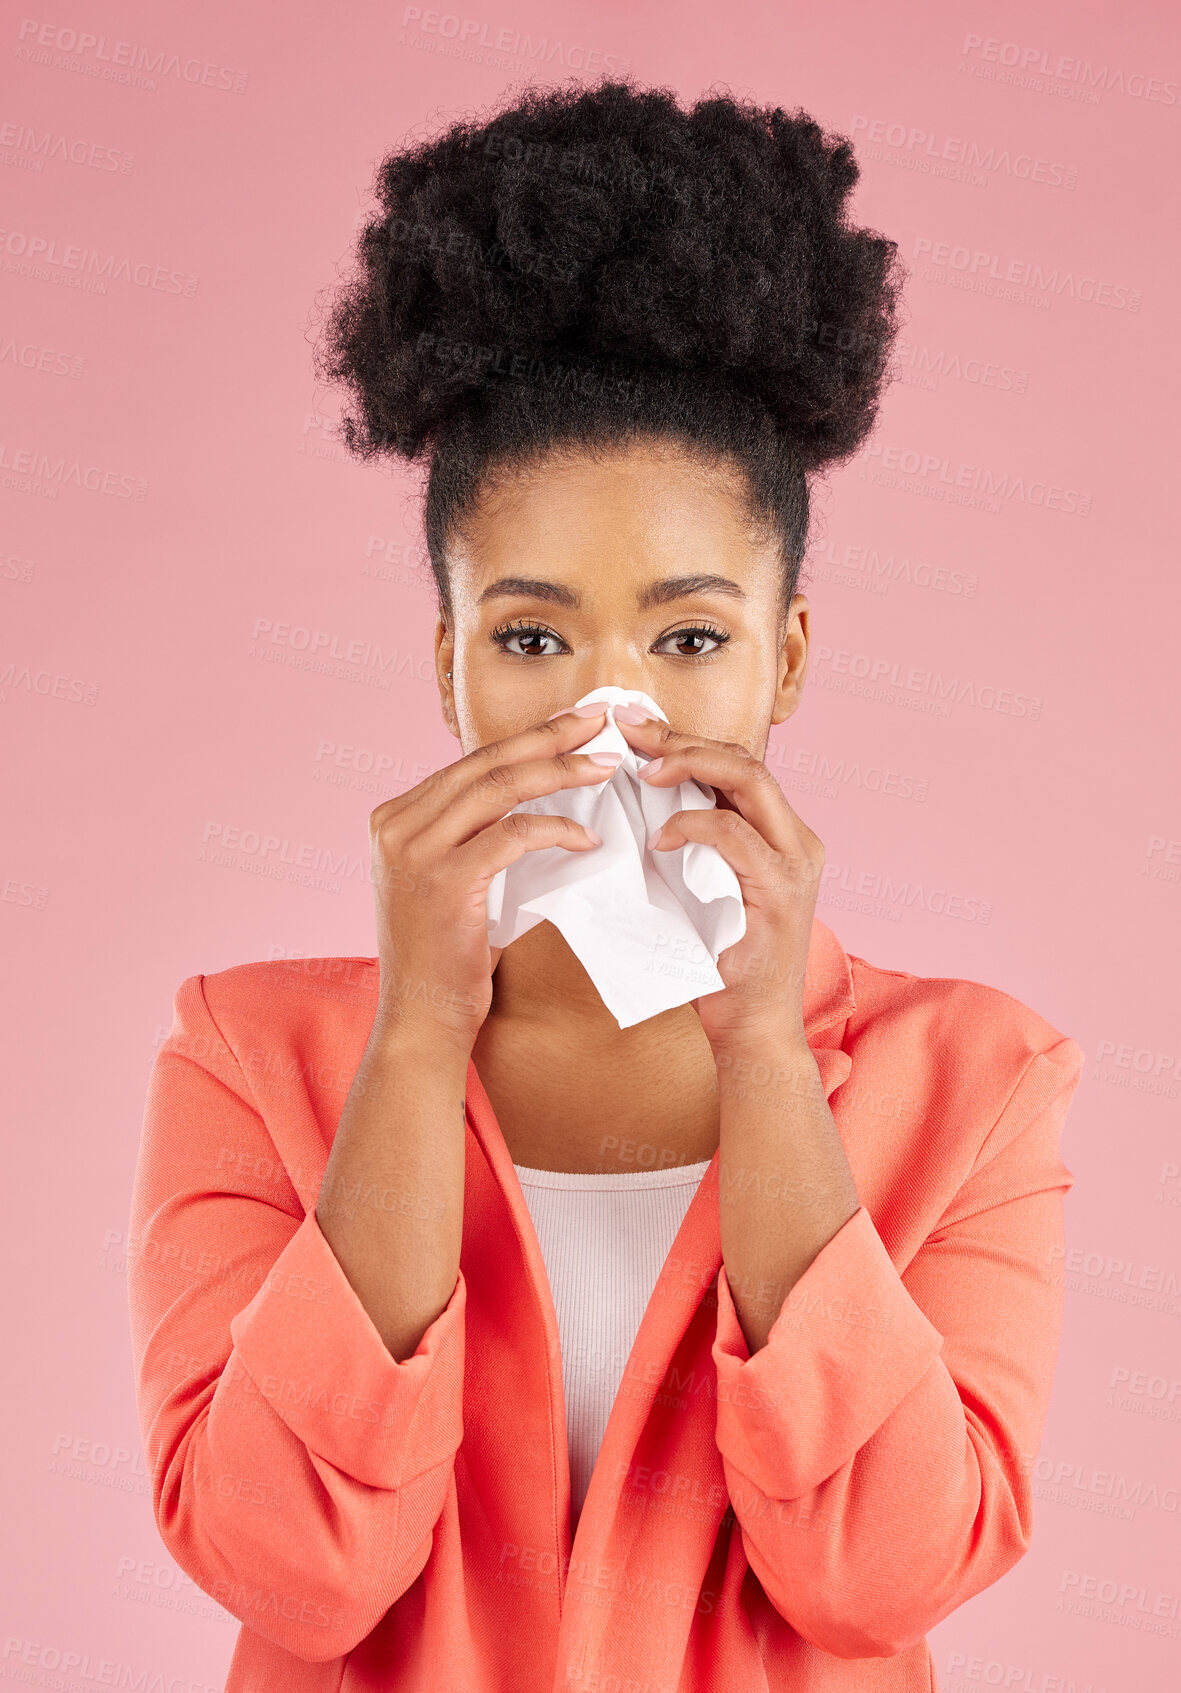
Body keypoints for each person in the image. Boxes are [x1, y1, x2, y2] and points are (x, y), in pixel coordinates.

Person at [128, 76, 1084, 1693]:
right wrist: (416, 1034)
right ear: (447, 667)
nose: (605, 710)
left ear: (783, 660)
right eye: (530, 636)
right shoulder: (247, 1054)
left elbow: (885, 1576)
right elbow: (282, 1566)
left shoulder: (976, 1079)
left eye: (689, 637)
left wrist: (767, 1054)